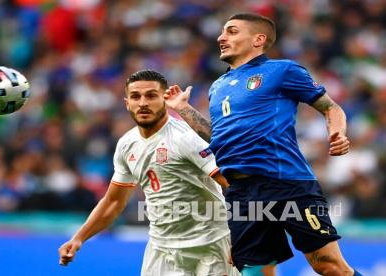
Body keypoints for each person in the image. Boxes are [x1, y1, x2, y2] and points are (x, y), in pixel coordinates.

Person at [165, 13, 362, 276]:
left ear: (258, 39)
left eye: (232, 31)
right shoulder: (218, 86)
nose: (221, 37)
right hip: (241, 191)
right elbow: (220, 138)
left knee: (328, 265)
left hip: (286, 182)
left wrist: (338, 133)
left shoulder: (282, 70)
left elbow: (330, 107)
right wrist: (184, 109)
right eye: (223, 32)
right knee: (254, 271)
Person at [58, 70, 240, 276]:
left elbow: (233, 185)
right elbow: (114, 202)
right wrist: (78, 238)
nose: (143, 102)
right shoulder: (127, 144)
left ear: (165, 99)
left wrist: (242, 235)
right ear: (127, 103)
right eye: (136, 97)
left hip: (211, 246)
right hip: (161, 250)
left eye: (151, 95)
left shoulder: (186, 138)